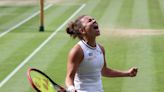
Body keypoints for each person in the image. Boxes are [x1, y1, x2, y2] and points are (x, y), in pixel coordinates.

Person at [65, 15, 138, 92]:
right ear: (82, 30)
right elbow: (69, 77)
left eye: (93, 19)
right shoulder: (78, 51)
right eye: (90, 21)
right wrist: (71, 88)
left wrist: (127, 73)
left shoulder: (101, 49)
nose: (94, 21)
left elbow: (104, 71)